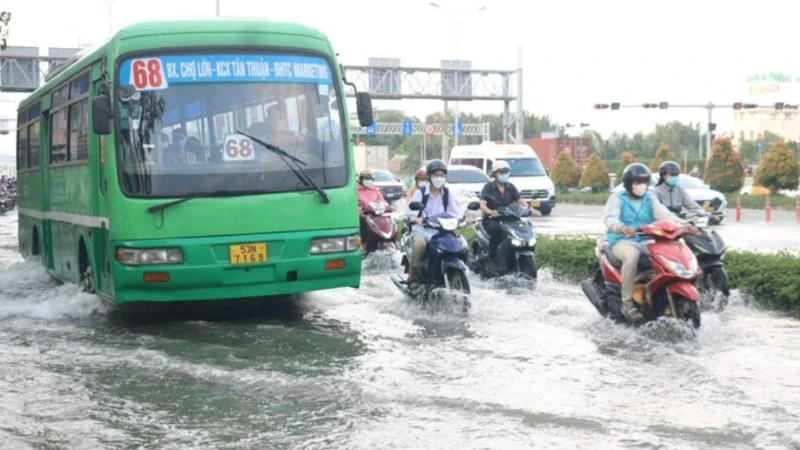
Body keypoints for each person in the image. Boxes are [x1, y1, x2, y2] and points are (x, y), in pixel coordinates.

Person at [604, 163, 699, 322]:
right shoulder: (617, 198)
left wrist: (683, 225)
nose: (642, 186)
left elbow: (665, 214)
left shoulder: (649, 198)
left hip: (647, 239)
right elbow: (610, 218)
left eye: (644, 182)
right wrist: (622, 227)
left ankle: (657, 291)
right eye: (637, 182)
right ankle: (627, 301)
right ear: (629, 183)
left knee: (670, 254)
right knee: (631, 256)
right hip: (623, 240)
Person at [403, 159, 462, 293]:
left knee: (458, 244)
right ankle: (412, 277)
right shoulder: (420, 193)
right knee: (419, 245)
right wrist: (415, 218)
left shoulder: (448, 194)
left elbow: (457, 212)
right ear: (429, 176)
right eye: (436, 175)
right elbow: (409, 213)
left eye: (442, 175)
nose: (439, 178)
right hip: (424, 230)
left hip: (442, 230)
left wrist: (465, 218)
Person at [478, 160, 540, 271]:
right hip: (492, 219)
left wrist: (530, 209)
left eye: (506, 172)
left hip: (510, 218)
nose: (504, 174)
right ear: (495, 174)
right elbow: (482, 205)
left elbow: (520, 200)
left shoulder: (511, 187)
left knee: (524, 227)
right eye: (501, 172)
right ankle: (493, 258)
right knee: (497, 230)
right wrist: (490, 212)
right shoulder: (488, 187)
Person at [357, 168, 391, 252]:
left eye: (370, 179)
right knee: (363, 230)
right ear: (361, 179)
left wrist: (388, 207)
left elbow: (382, 201)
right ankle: (364, 249)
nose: (369, 181)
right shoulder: (356, 190)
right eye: (366, 178)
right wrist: (358, 208)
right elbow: (352, 203)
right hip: (363, 216)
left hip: (376, 216)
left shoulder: (375, 190)